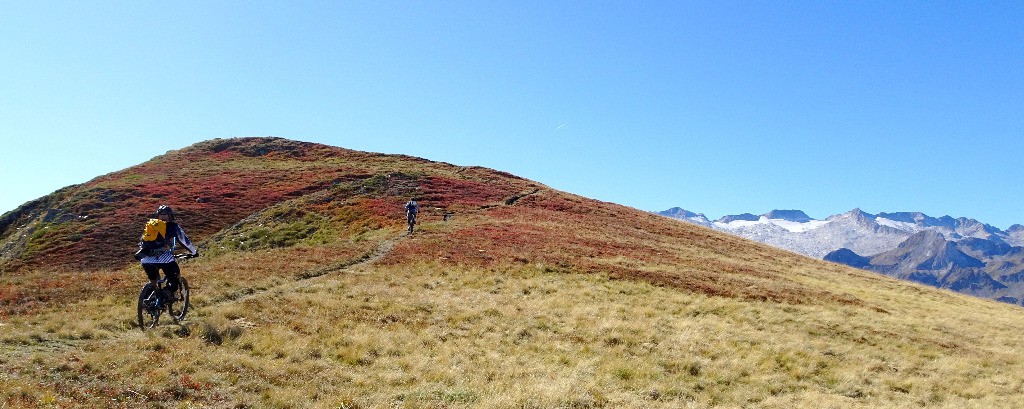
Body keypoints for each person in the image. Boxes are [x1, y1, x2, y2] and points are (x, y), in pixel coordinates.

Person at [135, 205, 198, 305]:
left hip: (146, 259)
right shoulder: (173, 227)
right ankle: (167, 293)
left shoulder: (151, 225)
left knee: (153, 282)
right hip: (164, 258)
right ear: (170, 216)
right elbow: (184, 241)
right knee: (174, 277)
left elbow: (143, 241)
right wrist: (194, 252)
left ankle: (147, 302)